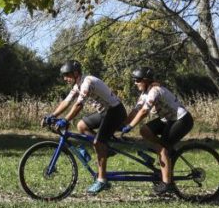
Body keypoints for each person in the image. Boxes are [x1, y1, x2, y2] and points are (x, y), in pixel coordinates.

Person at [42, 60, 127, 195]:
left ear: (76, 73)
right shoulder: (78, 85)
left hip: (116, 112)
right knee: (81, 125)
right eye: (64, 76)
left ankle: (102, 180)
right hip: (104, 112)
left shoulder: (87, 82)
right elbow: (66, 102)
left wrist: (65, 120)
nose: (65, 78)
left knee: (98, 143)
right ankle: (106, 149)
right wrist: (52, 115)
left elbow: (79, 105)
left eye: (67, 75)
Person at [121, 66, 194, 196]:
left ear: (146, 80)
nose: (135, 83)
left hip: (182, 120)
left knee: (162, 149)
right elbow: (136, 110)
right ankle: (165, 149)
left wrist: (130, 126)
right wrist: (122, 125)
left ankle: (167, 184)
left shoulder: (155, 91)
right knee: (145, 130)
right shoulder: (145, 93)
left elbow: (144, 111)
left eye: (137, 80)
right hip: (168, 119)